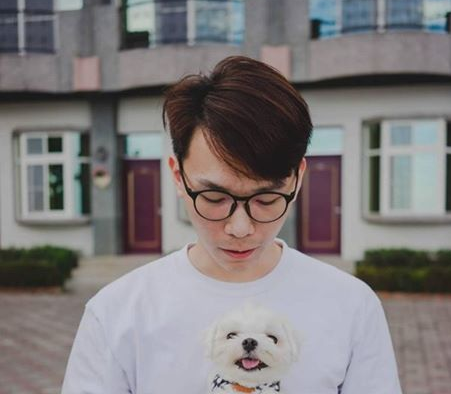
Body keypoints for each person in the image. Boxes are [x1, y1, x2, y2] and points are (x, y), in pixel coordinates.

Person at [62, 56, 402, 394]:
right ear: (179, 177)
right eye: (214, 198)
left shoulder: (353, 306)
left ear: (298, 179)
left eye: (266, 199)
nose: (240, 228)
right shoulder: (117, 313)